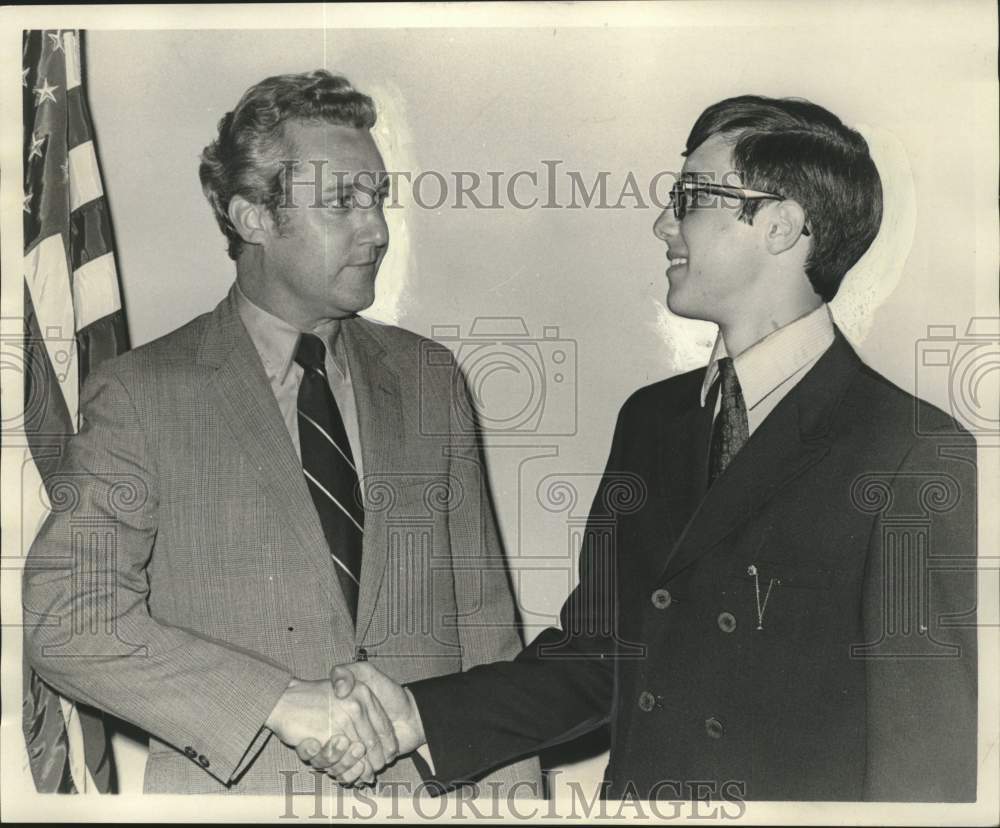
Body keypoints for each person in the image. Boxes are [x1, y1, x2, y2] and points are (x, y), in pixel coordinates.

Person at [317, 95, 979, 802]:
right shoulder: (652, 421)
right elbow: (600, 655)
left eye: (691, 197)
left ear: (782, 227)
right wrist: (415, 715)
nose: (663, 222)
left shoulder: (911, 450)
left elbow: (927, 758)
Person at [22, 69, 540, 796]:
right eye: (343, 203)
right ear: (252, 218)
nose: (378, 229)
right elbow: (67, 619)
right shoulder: (141, 396)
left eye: (378, 199)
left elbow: (490, 642)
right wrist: (275, 701)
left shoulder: (430, 378)